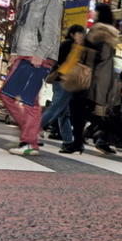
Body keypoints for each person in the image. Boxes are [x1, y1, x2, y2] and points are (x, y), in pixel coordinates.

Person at [2, 0, 62, 156]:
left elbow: (52, 29)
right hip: (25, 53)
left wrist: (41, 53)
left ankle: (30, 142)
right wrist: (14, 52)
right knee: (7, 94)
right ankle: (31, 133)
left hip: (38, 55)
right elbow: (20, 28)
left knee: (28, 99)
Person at [69, 4, 120, 154]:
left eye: (95, 10)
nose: (92, 12)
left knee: (78, 109)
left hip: (90, 77)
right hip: (101, 78)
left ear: (99, 13)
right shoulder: (110, 32)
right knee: (85, 111)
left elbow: (97, 55)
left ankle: (83, 140)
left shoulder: (99, 31)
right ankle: (94, 137)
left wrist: (82, 47)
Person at [40, 24, 86, 153]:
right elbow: (67, 64)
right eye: (80, 33)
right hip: (64, 81)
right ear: (73, 34)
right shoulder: (70, 45)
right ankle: (31, 132)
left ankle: (67, 141)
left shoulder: (69, 45)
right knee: (56, 108)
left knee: (63, 113)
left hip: (61, 81)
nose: (82, 36)